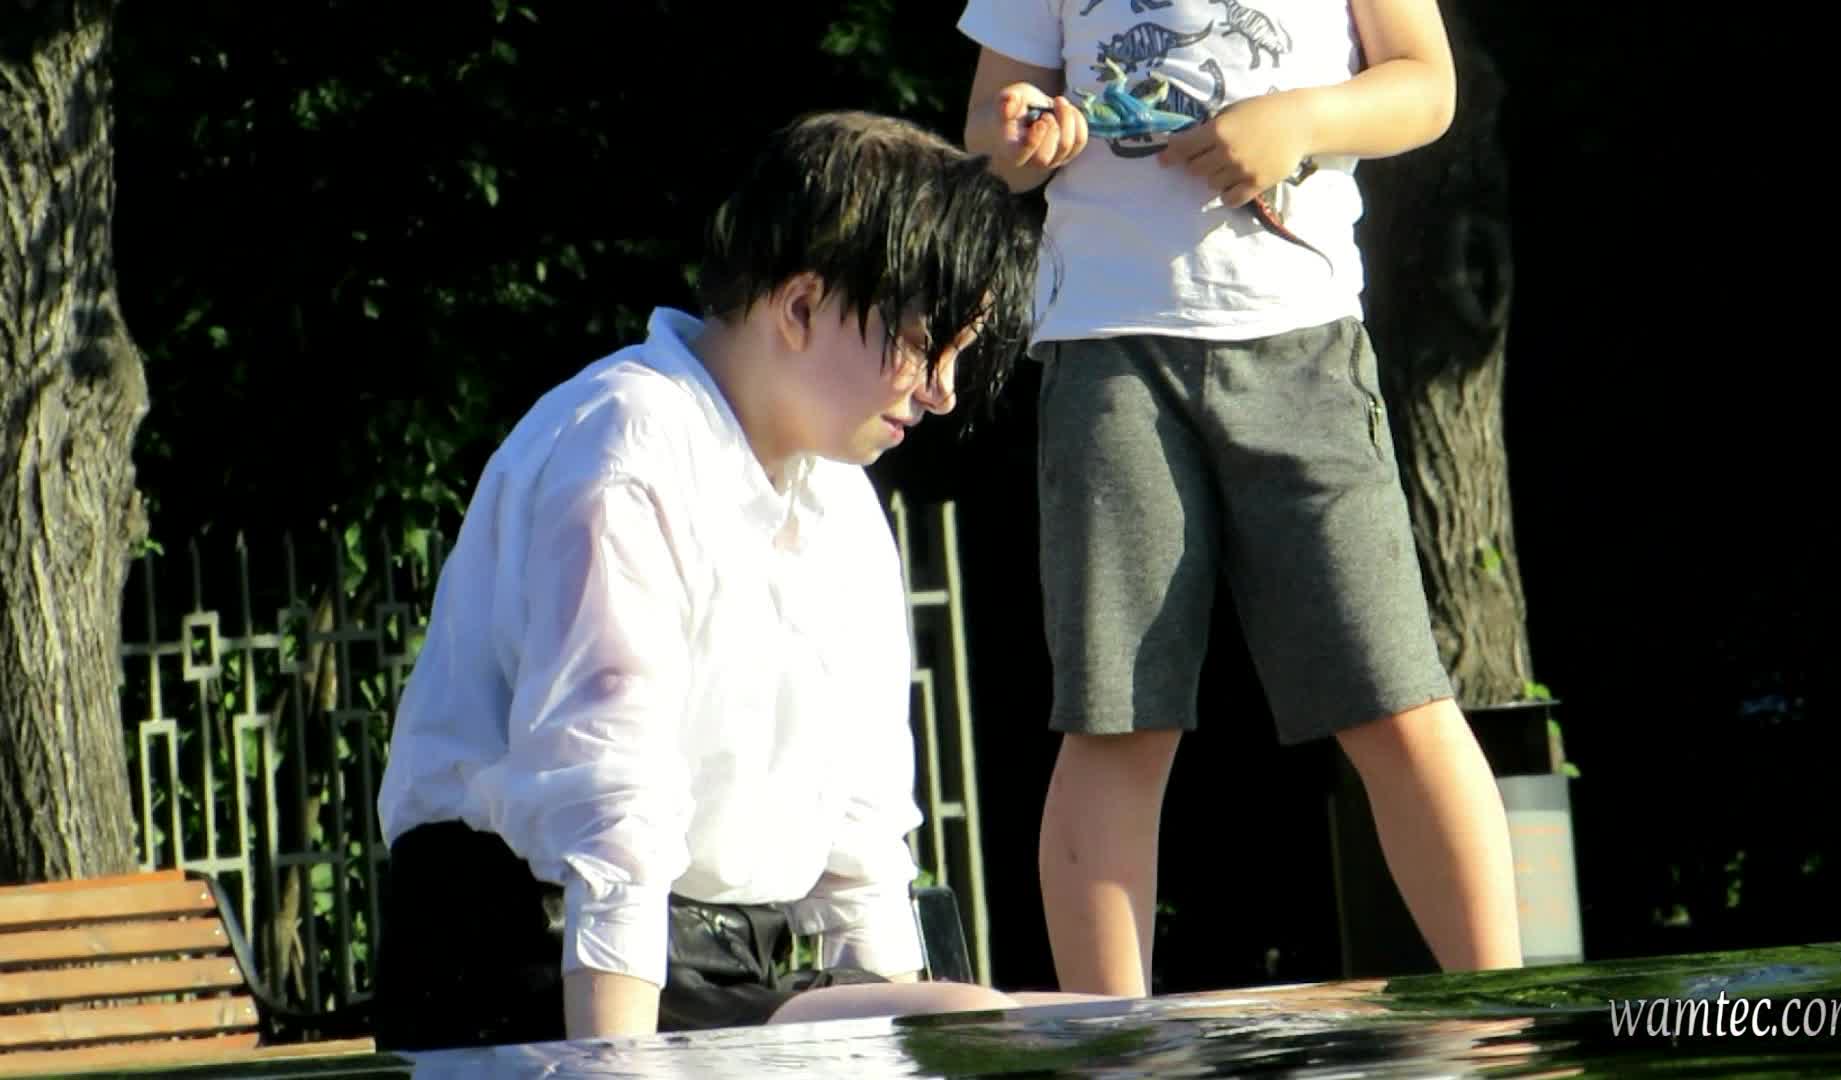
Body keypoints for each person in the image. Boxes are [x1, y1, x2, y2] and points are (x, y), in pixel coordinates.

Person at [372, 109, 1077, 1050]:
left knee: (1025, 1032)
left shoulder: (841, 500)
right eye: (924, 341)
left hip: (725, 966)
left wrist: (909, 1053)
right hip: (528, 959)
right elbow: (609, 814)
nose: (942, 389)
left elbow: (862, 838)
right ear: (800, 307)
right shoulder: (626, 447)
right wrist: (614, 1071)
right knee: (989, 1029)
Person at [955, 0, 1525, 996]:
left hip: (1305, 343)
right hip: (1107, 350)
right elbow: (987, 144)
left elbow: (1429, 85)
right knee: (1115, 717)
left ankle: (1504, 1023)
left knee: (1398, 699)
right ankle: (1114, 1048)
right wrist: (1023, 137)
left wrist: (1299, 120)